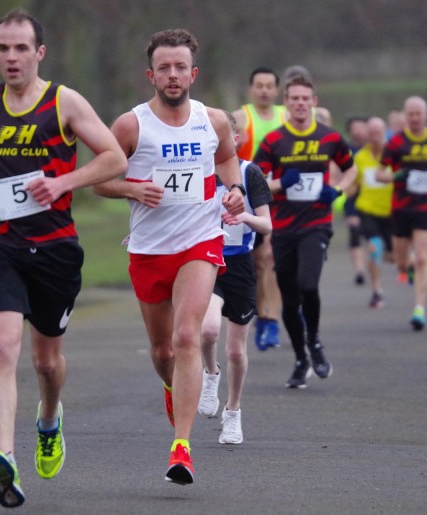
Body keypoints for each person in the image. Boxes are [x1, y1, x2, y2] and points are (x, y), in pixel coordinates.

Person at [0, 9, 128, 508]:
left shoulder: (65, 102)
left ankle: (48, 419)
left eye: (21, 48)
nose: (12, 57)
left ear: (39, 52)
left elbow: (115, 157)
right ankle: (5, 458)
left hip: (55, 247)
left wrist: (64, 183)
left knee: (46, 361)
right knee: (2, 349)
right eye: (3, 48)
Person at [92, 29, 245, 485]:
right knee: (163, 351)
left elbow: (228, 160)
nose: (173, 75)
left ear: (193, 73)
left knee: (186, 336)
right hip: (149, 249)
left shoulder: (213, 121)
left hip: (200, 241)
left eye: (181, 67)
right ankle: (170, 383)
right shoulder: (130, 126)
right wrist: (131, 188)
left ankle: (182, 448)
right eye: (165, 68)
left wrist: (235, 189)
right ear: (151, 75)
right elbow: (98, 180)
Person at [253, 74, 357, 388]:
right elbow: (256, 181)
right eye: (294, 98)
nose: (300, 103)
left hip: (316, 224)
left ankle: (315, 341)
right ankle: (301, 358)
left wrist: (337, 190)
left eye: (305, 98)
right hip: (283, 228)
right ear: (286, 103)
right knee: (290, 298)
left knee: (309, 286)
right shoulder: (273, 141)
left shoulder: (329, 137)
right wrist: (280, 183)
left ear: (314, 102)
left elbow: (351, 168)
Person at [197, 112, 273, 445]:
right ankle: (210, 373)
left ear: (236, 140)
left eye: (224, 137)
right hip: (207, 261)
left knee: (236, 352)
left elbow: (267, 224)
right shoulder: (197, 171)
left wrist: (243, 217)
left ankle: (233, 411)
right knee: (208, 329)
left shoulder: (249, 172)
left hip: (240, 264)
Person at [376, 97, 427, 330]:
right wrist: (395, 176)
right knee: (402, 263)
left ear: (426, 115)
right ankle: (407, 267)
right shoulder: (395, 143)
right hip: (401, 208)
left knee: (423, 257)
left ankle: (419, 309)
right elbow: (379, 174)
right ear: (405, 116)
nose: (414, 118)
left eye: (418, 114)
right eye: (410, 114)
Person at [232, 67, 285, 351]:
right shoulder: (241, 118)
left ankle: (269, 318)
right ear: (251, 89)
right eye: (259, 85)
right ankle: (257, 309)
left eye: (269, 86)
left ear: (277, 90)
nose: (264, 90)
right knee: (252, 261)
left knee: (268, 258)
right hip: (247, 197)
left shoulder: (286, 117)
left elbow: (320, 119)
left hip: (280, 198)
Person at [349, 116, 394, 308]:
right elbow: (354, 184)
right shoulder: (360, 157)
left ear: (385, 132)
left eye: (378, 133)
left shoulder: (394, 153)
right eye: (372, 133)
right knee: (374, 248)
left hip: (392, 211)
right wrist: (339, 190)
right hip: (367, 209)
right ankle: (377, 291)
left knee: (392, 257)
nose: (375, 137)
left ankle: (404, 263)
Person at [344, 116, 370, 286]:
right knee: (355, 232)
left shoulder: (375, 149)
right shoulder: (345, 150)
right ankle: (360, 270)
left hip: (373, 198)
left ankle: (372, 263)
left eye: (362, 127)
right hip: (353, 197)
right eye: (355, 128)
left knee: (371, 234)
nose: (359, 131)